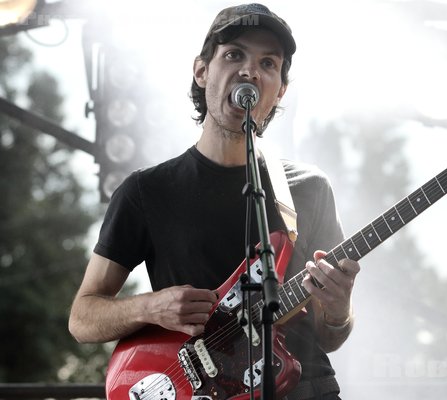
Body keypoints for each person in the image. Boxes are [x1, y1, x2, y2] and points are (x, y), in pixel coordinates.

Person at [68, 3, 360, 400]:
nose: (249, 71)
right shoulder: (146, 191)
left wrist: (339, 309)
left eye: (269, 63)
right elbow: (82, 318)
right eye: (234, 54)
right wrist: (149, 308)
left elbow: (329, 336)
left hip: (308, 389)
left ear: (279, 91)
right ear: (202, 71)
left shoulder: (309, 188)